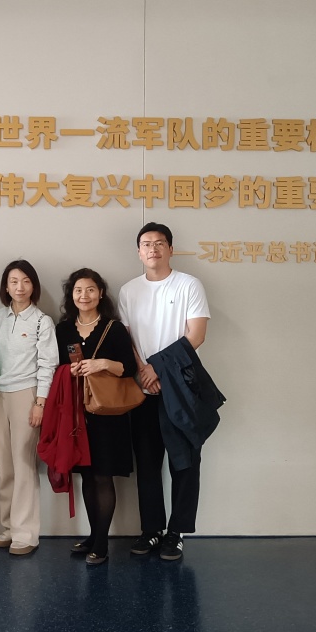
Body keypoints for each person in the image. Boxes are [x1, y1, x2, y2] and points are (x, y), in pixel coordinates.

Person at [117, 222, 211, 561]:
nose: (153, 248)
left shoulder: (189, 284)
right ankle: (152, 530)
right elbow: (127, 339)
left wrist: (156, 368)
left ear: (170, 249)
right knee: (147, 463)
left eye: (159, 243)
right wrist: (144, 372)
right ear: (139, 252)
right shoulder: (129, 290)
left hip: (181, 386)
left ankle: (176, 532)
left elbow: (196, 335)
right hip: (142, 388)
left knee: (184, 462)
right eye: (146, 244)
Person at [54, 268, 137, 566]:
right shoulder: (64, 329)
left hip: (107, 412)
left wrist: (102, 363)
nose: (84, 295)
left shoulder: (114, 328)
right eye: (78, 290)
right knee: (87, 476)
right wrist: (70, 370)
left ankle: (101, 544)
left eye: (90, 289)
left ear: (100, 293)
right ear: (71, 295)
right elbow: (56, 366)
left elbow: (128, 368)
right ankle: (93, 535)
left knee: (103, 475)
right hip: (77, 411)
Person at [0, 259, 57, 556]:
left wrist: (40, 402)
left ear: (34, 286)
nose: (20, 287)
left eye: (26, 281)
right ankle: (8, 526)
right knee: (3, 466)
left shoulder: (42, 321)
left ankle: (26, 533)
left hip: (27, 394)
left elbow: (48, 364)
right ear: (6, 286)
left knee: (24, 465)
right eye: (14, 281)